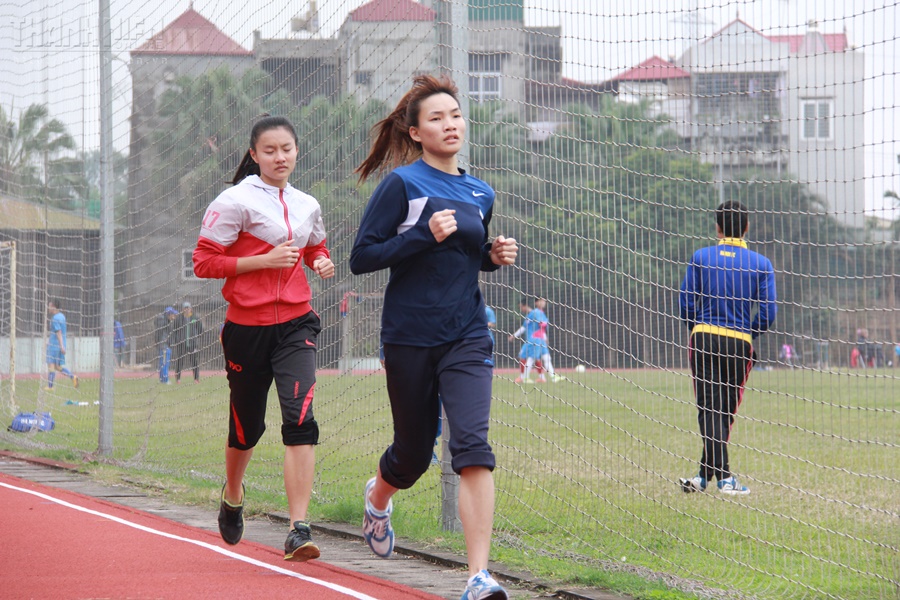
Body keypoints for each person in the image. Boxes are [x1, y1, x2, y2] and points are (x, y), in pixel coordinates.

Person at [349, 74, 518, 600]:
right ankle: (378, 498)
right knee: (414, 454)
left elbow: (463, 258)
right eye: (437, 118)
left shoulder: (480, 191)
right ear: (417, 132)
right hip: (409, 335)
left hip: (467, 333)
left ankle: (477, 576)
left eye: (456, 115)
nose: (450, 125)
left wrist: (490, 258)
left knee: (471, 446)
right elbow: (362, 258)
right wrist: (422, 234)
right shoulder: (402, 184)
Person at [193, 115, 335, 562]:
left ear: (297, 152)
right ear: (254, 154)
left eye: (287, 149)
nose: (280, 157)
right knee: (246, 429)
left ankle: (298, 528)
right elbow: (203, 262)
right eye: (270, 150)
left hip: (296, 324)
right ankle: (233, 493)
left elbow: (314, 246)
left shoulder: (307, 203)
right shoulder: (233, 201)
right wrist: (262, 261)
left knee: (300, 422)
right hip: (246, 331)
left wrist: (320, 262)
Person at [678, 200, 777, 496]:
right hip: (739, 343)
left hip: (704, 337)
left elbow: (685, 304)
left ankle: (702, 476)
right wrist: (749, 332)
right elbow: (769, 313)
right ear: (746, 227)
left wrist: (698, 327)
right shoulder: (761, 264)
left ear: (717, 228)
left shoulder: (700, 257)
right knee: (724, 411)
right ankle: (725, 478)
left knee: (709, 408)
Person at [509, 298, 560, 384]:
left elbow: (540, 327)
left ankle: (550, 377)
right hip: (534, 339)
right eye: (542, 301)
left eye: (521, 307)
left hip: (536, 339)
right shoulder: (534, 313)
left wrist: (544, 337)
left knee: (542, 358)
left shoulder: (536, 313)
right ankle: (527, 377)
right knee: (531, 358)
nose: (544, 302)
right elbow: (540, 326)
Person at [44, 299, 78, 390]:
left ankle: (50, 386)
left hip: (55, 346)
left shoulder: (55, 318)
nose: (48, 307)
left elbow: (58, 332)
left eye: (49, 305)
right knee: (57, 367)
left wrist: (61, 346)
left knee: (51, 365)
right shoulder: (62, 316)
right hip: (59, 344)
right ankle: (72, 377)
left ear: (54, 307)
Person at [170, 301, 204, 383]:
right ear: (182, 309)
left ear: (191, 308)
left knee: (194, 361)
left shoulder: (195, 318)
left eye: (188, 308)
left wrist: (195, 339)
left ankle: (196, 378)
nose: (186, 310)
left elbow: (200, 329)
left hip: (192, 344)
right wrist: (177, 340)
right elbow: (174, 330)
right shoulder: (178, 319)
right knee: (179, 361)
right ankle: (178, 378)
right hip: (181, 344)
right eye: (185, 308)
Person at [155, 306, 177, 383]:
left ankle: (162, 379)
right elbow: (162, 335)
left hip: (164, 345)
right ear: (169, 314)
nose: (174, 316)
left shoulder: (165, 322)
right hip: (164, 346)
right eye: (173, 314)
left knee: (163, 363)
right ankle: (165, 380)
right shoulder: (164, 322)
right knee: (165, 363)